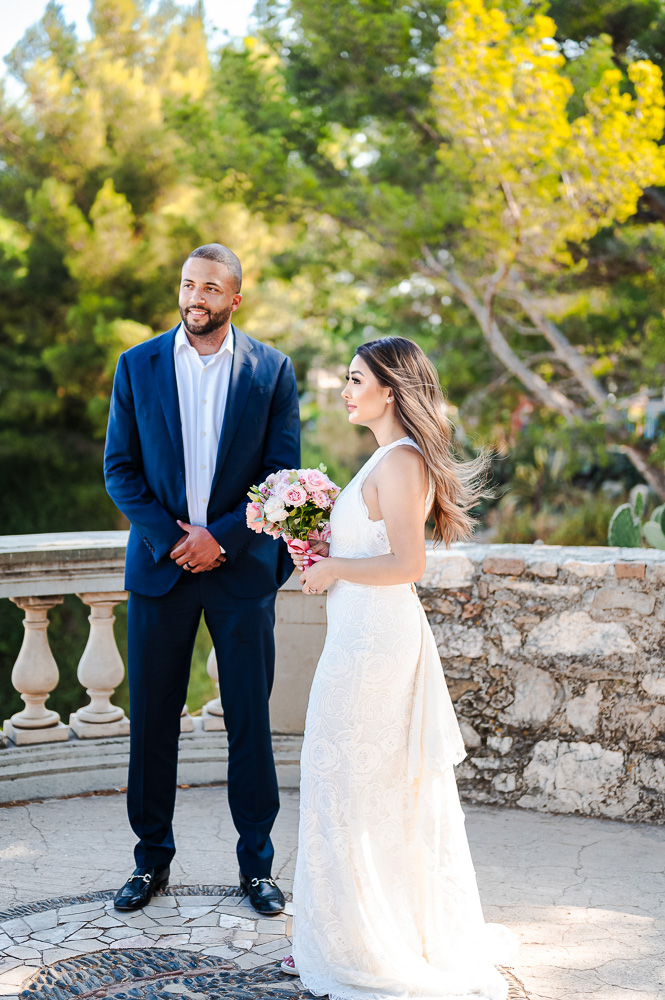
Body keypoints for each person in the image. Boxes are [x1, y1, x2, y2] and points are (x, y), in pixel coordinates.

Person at [283, 337, 513, 999]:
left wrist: (333, 569)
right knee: (346, 782)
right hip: (355, 634)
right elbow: (372, 548)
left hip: (375, 646)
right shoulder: (383, 460)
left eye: (356, 380)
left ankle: (366, 942)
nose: (346, 390)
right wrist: (318, 547)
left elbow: (408, 567)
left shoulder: (403, 461)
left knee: (358, 784)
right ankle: (342, 931)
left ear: (390, 390)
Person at [104, 243, 300, 914]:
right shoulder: (137, 366)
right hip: (161, 569)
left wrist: (222, 537)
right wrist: (173, 538)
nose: (197, 296)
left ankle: (257, 868)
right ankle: (150, 862)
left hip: (239, 570)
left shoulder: (271, 372)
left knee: (248, 721)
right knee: (151, 721)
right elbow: (119, 470)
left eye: (212, 288)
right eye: (189, 284)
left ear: (234, 298)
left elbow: (281, 475)